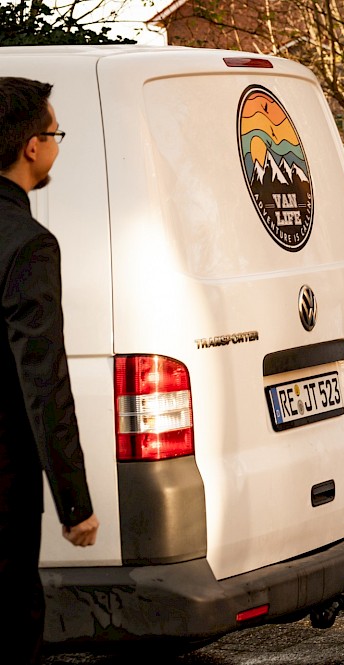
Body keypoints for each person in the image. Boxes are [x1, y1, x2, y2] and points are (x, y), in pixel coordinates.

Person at [0, 77, 100, 664]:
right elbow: (43, 382)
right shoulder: (27, 244)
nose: (58, 145)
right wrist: (74, 501)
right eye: (56, 133)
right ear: (32, 146)